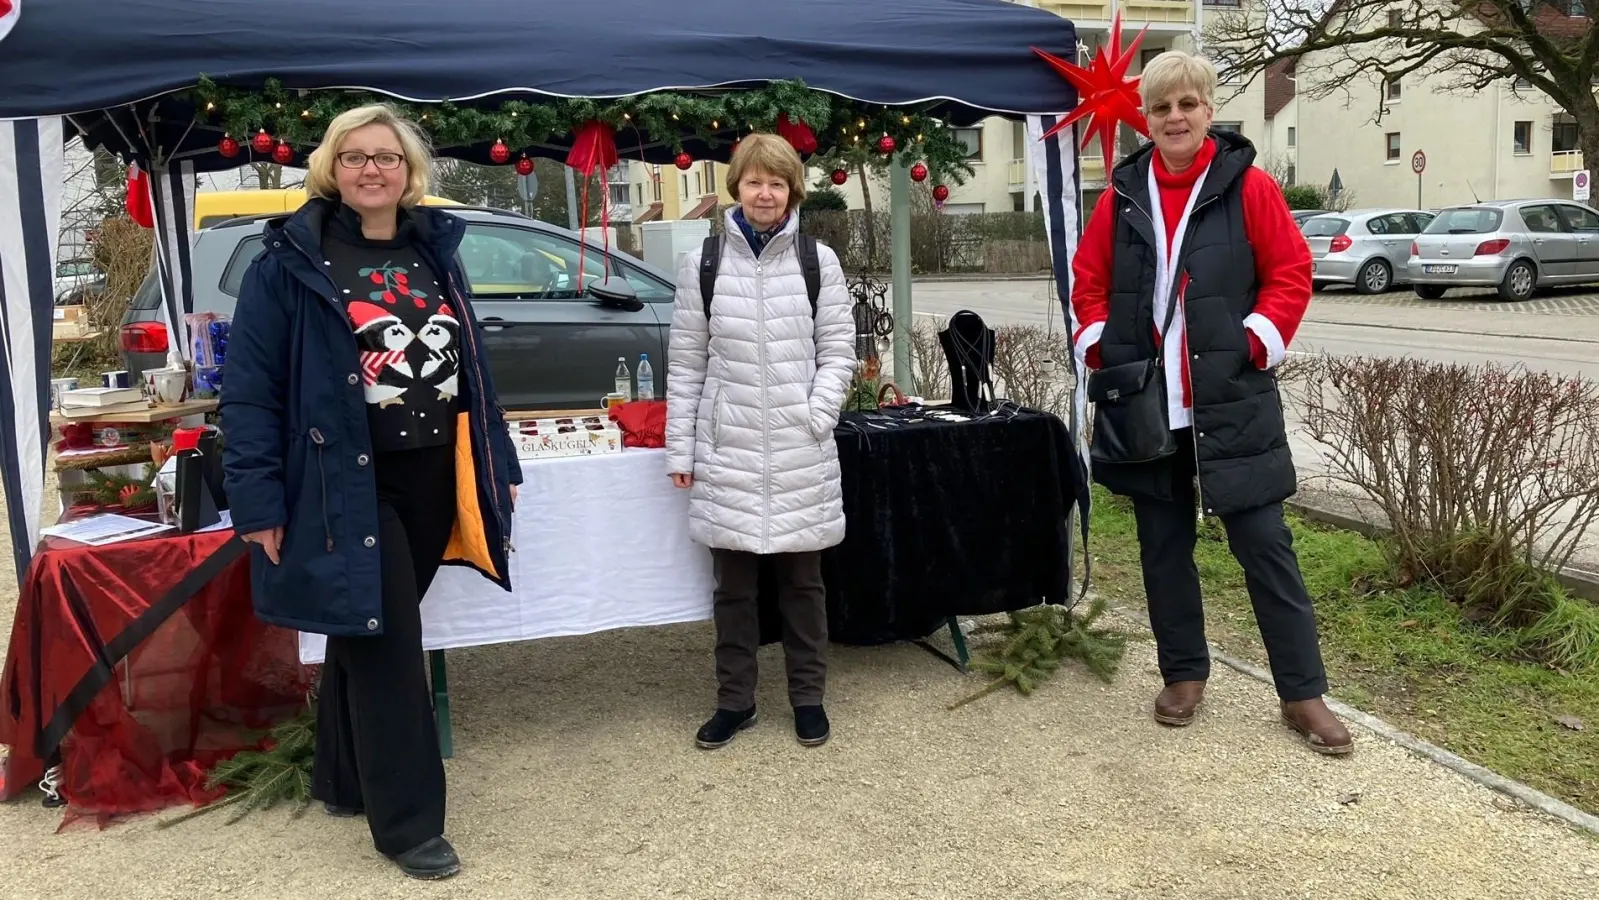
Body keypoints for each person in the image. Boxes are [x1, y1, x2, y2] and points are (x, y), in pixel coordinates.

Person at [220, 104, 522, 878]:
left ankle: (343, 778)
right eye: (353, 157)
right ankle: (410, 824)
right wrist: (255, 503)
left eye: (385, 157)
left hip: (430, 476)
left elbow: (476, 375)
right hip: (342, 481)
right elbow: (249, 392)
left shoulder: (436, 252)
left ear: (408, 170)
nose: (370, 170)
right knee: (390, 646)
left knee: (367, 627)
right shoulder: (288, 261)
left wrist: (498, 468)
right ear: (332, 169)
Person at [1070, 51, 1353, 756]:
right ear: (1148, 118)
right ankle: (1183, 674)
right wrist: (1099, 344)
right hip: (1147, 404)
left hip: (1230, 398)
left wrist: (1256, 341)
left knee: (1265, 547)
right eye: (1161, 107)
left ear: (1207, 111)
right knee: (1162, 549)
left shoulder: (1248, 186)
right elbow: (1088, 283)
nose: (1174, 117)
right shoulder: (1121, 195)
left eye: (1187, 104)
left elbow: (1289, 271)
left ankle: (1301, 691)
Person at [665, 133, 856, 751]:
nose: (765, 193)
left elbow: (838, 351)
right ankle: (734, 702)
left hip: (801, 449)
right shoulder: (704, 263)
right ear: (737, 187)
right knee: (734, 590)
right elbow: (687, 363)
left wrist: (816, 413)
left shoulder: (816, 261)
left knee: (803, 587)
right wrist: (681, 450)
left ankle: (807, 698)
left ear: (792, 189)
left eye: (777, 182)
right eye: (754, 181)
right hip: (730, 450)